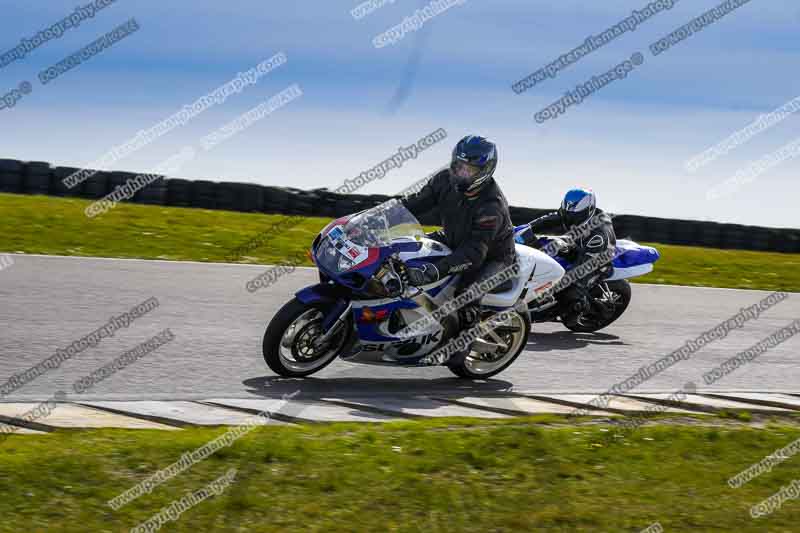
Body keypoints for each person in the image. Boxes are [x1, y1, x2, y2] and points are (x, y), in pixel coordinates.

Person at [400, 135, 517, 329]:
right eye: (458, 166)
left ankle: (460, 350)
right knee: (404, 251)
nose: (461, 173)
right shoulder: (443, 180)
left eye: (469, 170)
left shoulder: (491, 206)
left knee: (466, 295)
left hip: (493, 257)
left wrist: (437, 269)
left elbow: (474, 253)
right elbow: (414, 204)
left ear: (485, 171)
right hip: (453, 237)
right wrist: (380, 216)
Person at [518, 188, 616, 324]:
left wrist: (555, 282)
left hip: (596, 261)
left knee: (568, 288)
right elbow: (550, 219)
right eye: (567, 214)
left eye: (575, 216)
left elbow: (583, 268)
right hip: (579, 247)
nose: (570, 219)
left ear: (589, 210)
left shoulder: (598, 235)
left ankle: (580, 308)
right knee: (546, 246)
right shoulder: (571, 213)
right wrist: (525, 229)